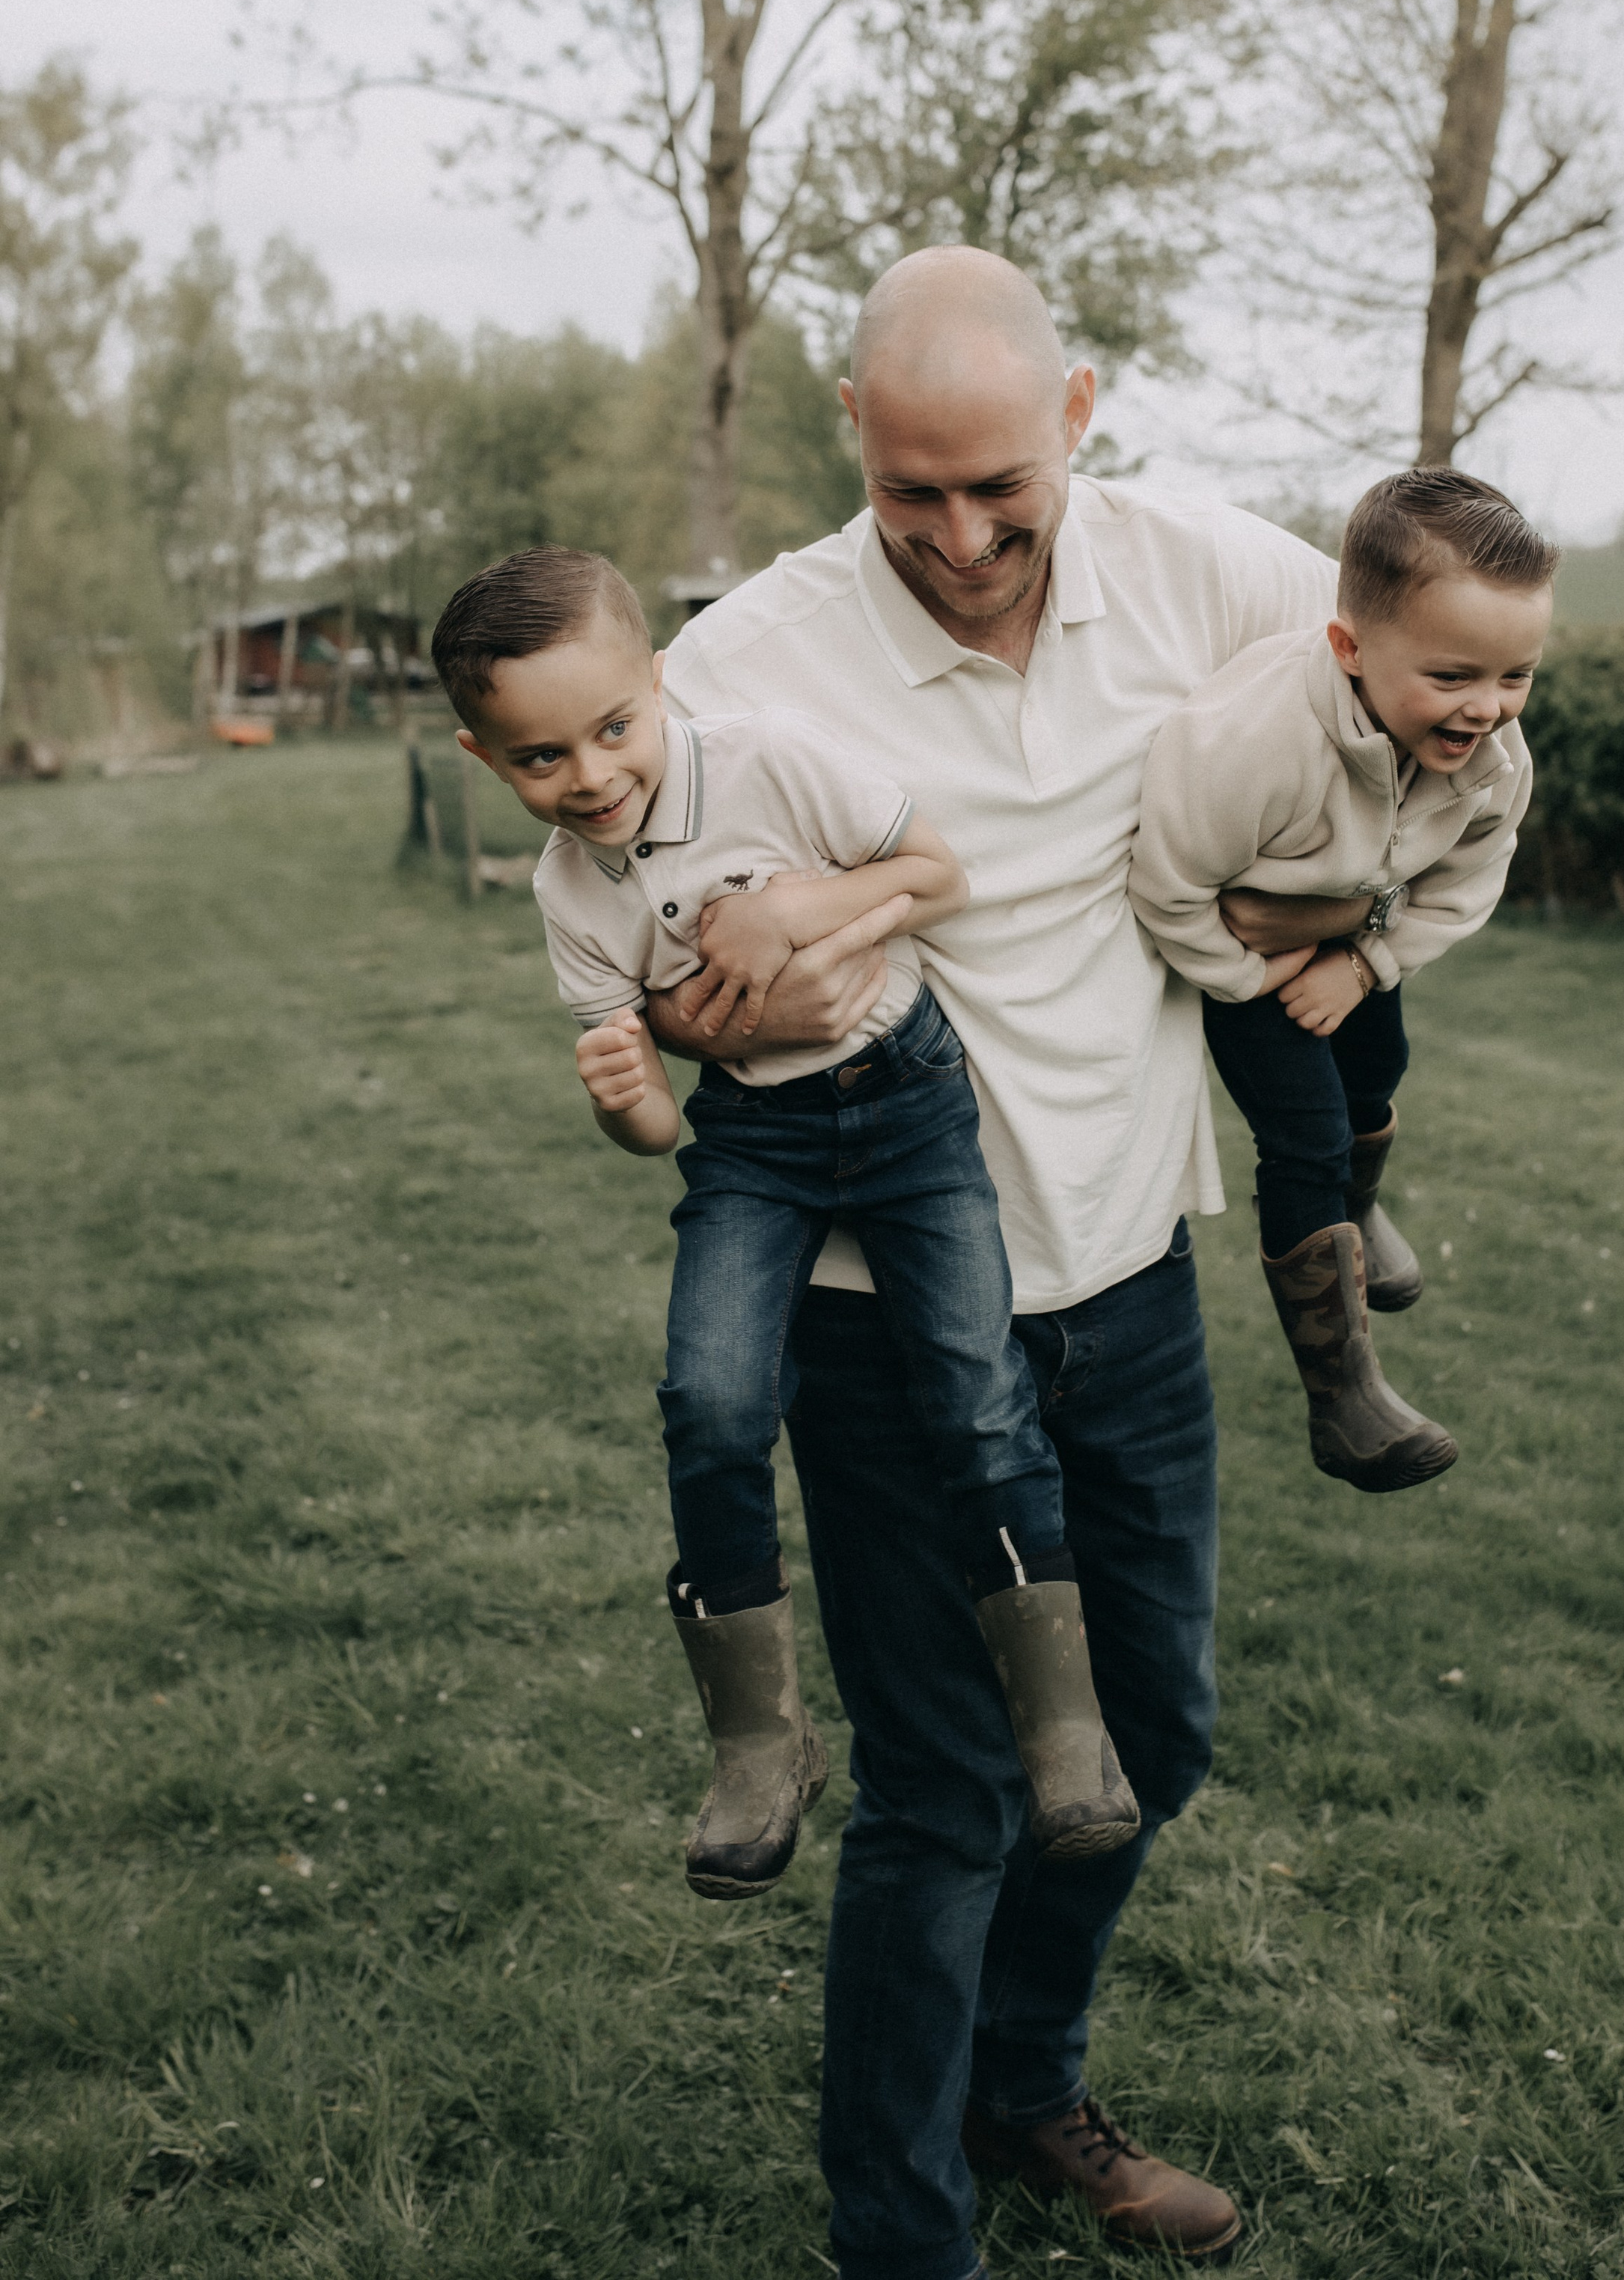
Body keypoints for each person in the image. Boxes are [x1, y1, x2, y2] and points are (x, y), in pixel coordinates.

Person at [648, 245, 1338, 2280]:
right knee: (950, 1797)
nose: (957, 537)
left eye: (1000, 490)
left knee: (1160, 1736)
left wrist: (1368, 923)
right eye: (911, 490)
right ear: (851, 435)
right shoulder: (745, 660)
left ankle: (1021, 2086)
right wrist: (708, 1000)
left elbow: (1439, 672)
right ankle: (904, 2235)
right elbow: (642, 941)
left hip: (1125, 1288)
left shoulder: (1208, 576)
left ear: (1082, 415)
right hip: (882, 1321)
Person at [430, 546, 1139, 1900]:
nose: (587, 776)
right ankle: (758, 1742)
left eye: (614, 727)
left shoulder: (769, 760)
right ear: (482, 755)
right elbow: (652, 1138)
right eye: (537, 758)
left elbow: (938, 875)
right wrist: (625, 1097)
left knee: (980, 1394)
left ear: (658, 681)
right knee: (707, 1398)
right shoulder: (569, 895)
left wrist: (788, 909)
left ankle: (1063, 1724)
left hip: (910, 1106)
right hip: (753, 1144)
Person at [1130, 467, 1556, 1493]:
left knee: (1380, 1070)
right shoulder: (1248, 741)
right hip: (1243, 968)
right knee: (1308, 1136)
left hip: (1363, 936)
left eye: (1517, 676)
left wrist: (1365, 962)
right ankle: (1345, 1392)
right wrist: (1253, 973)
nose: (1488, 708)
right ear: (1350, 648)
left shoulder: (1494, 760)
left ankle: (1359, 1217)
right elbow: (1170, 884)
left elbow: (1471, 877)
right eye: (1454, 676)